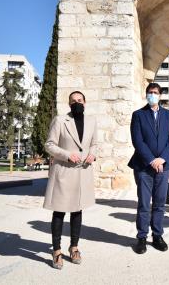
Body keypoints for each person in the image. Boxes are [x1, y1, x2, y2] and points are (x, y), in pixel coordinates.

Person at [43, 91, 98, 270]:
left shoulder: (91, 121)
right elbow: (49, 144)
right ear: (69, 104)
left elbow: (94, 144)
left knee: (77, 211)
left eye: (80, 100)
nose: (77, 103)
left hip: (82, 173)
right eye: (73, 101)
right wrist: (67, 155)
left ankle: (74, 247)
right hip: (64, 172)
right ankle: (57, 250)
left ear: (85, 102)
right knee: (59, 212)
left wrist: (92, 155)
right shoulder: (60, 121)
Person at [128, 83, 169, 254]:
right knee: (143, 203)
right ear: (146, 94)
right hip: (143, 166)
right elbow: (137, 140)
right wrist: (151, 160)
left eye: (155, 93)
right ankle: (141, 237)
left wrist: (162, 159)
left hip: (163, 167)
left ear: (160, 95)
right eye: (150, 92)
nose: (152, 95)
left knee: (159, 203)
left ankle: (157, 235)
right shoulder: (138, 115)